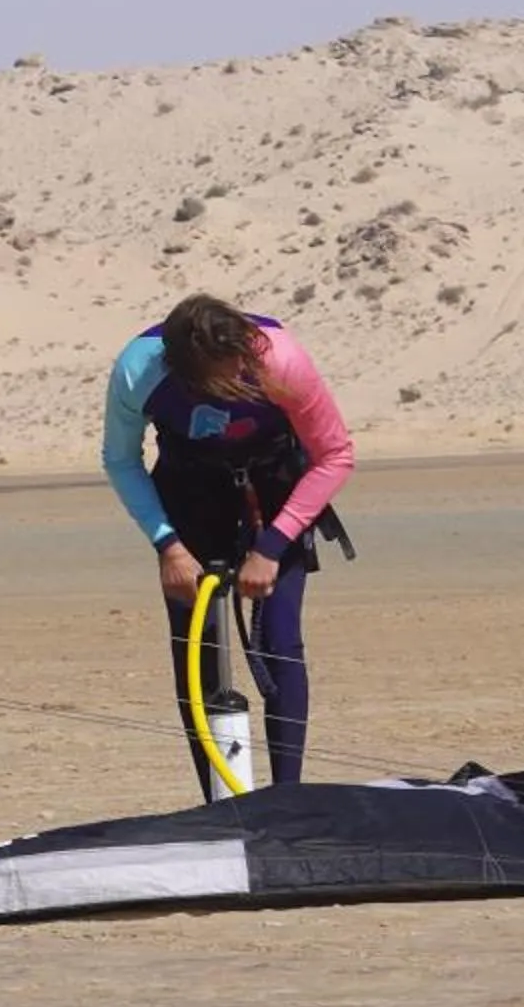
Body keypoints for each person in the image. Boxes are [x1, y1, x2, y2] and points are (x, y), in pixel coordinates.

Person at [102, 293, 357, 797]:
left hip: (275, 488)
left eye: (241, 367)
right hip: (190, 492)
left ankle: (287, 799)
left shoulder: (280, 359)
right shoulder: (139, 370)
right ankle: (217, 803)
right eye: (222, 377)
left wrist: (272, 546)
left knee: (278, 642)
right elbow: (121, 460)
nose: (239, 378)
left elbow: (334, 454)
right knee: (196, 650)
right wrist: (168, 546)